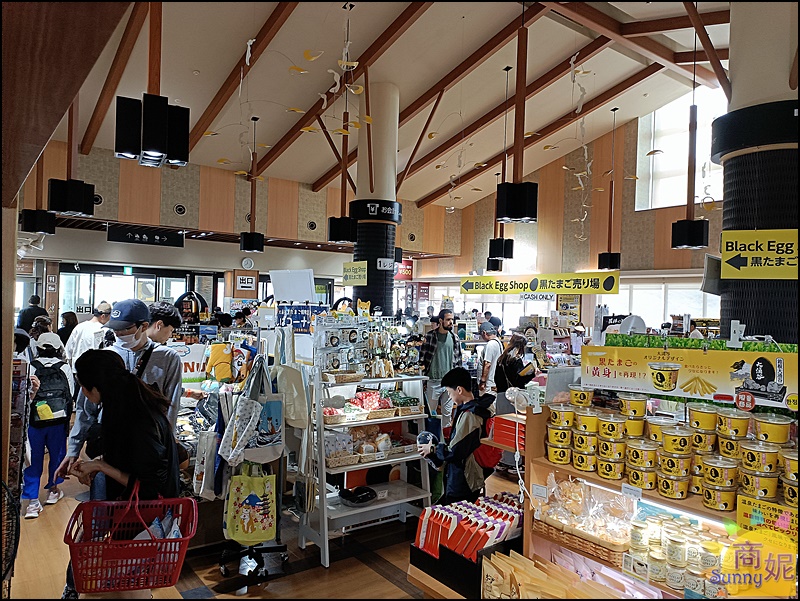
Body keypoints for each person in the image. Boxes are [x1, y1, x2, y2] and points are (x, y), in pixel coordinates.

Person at [56, 299, 183, 488]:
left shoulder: (168, 358)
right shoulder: (106, 357)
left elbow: (171, 405)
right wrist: (73, 449)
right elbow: (86, 409)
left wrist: (165, 445)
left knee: (144, 493)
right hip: (110, 443)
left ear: (144, 326)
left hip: (147, 445)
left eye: (124, 330)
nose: (119, 334)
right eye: (115, 330)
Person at [69, 349, 180, 501]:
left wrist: (101, 466)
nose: (83, 392)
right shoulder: (124, 406)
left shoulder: (139, 421)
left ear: (95, 388)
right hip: (131, 506)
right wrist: (97, 465)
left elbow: (151, 487)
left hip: (150, 518)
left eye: (83, 386)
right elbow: (130, 461)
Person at [417, 367, 494, 504]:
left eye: (449, 392)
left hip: (464, 477)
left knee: (453, 513)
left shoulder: (470, 415)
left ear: (459, 390)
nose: (450, 397)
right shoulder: (474, 409)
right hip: (468, 472)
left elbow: (456, 450)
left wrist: (433, 450)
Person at [22, 333, 73, 519]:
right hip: (58, 422)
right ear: (59, 348)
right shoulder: (65, 367)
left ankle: (32, 503)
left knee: (32, 459)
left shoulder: (31, 366)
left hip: (35, 422)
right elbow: (71, 394)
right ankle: (53, 489)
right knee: (57, 455)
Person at [419, 309, 462, 430]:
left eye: (452, 320)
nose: (451, 322)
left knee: (447, 415)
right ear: (440, 320)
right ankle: (429, 439)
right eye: (448, 320)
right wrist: (423, 380)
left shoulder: (455, 338)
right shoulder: (430, 337)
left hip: (449, 383)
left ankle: (445, 442)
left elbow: (458, 362)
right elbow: (422, 360)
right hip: (433, 381)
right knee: (430, 413)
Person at [64, 300, 112, 367]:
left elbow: (68, 351)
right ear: (103, 316)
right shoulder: (105, 330)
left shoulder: (79, 327)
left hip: (78, 369)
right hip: (97, 369)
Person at [477, 321, 503, 397]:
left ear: (484, 333)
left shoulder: (491, 344)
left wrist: (482, 382)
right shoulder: (498, 342)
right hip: (493, 383)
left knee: (487, 407)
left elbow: (487, 364)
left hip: (488, 385)